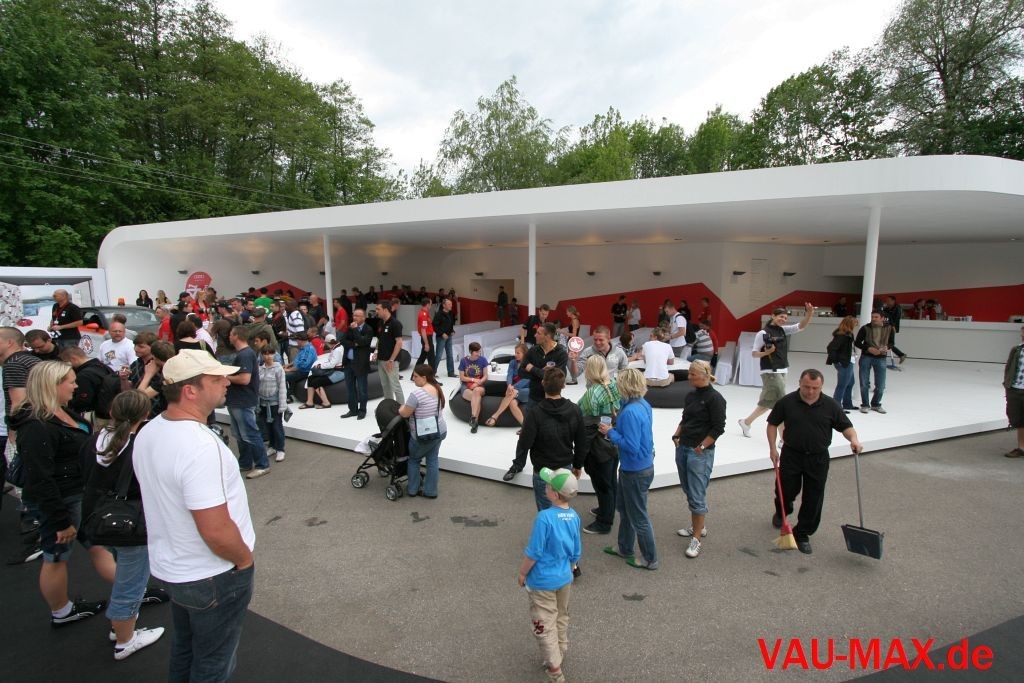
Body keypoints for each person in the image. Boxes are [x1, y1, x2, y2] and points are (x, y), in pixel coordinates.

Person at [133, 349, 255, 681]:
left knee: (186, 649)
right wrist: (243, 561)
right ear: (190, 390)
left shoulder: (150, 430)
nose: (227, 382)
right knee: (213, 662)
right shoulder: (200, 446)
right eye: (217, 379)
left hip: (175, 568)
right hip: (212, 573)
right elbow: (215, 529)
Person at [10, 360, 108, 625]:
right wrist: (60, 520)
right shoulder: (36, 425)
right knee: (56, 556)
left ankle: (131, 592)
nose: (76, 386)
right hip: (62, 501)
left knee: (99, 544)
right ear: (52, 385)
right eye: (71, 382)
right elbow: (40, 478)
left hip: (78, 495)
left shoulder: (61, 412)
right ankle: (61, 611)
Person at [82, 390, 166, 658]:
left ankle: (120, 627)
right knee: (132, 581)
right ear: (145, 414)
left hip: (99, 517)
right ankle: (125, 639)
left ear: (112, 411)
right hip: (132, 523)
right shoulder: (139, 446)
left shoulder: (95, 440)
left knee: (125, 574)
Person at [767, 369, 863, 554]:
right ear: (799, 383)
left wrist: (854, 439)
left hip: (818, 458)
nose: (810, 391)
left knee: (814, 497)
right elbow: (772, 424)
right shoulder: (787, 402)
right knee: (785, 491)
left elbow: (846, 427)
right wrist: (772, 448)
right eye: (806, 387)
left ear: (821, 386)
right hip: (792, 455)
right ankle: (782, 510)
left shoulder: (831, 405)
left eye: (815, 388)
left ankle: (802, 533)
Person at [516, 467, 581, 683]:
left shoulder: (544, 518)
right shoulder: (574, 517)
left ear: (554, 494)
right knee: (561, 616)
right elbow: (576, 551)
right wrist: (571, 567)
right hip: (564, 578)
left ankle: (554, 668)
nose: (545, 485)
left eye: (548, 484)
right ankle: (559, 651)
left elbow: (534, 552)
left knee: (543, 623)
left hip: (542, 580)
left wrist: (522, 572)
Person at [504, 368, 587, 513]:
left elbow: (525, 443)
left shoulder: (535, 413)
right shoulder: (574, 410)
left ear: (542, 383)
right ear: (563, 385)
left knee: (545, 511)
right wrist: (578, 465)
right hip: (565, 467)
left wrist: (526, 434)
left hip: (543, 471)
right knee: (562, 506)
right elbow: (581, 442)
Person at [598, 368, 657, 569]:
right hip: (639, 466)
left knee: (639, 517)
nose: (615, 385)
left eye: (618, 382)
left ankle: (650, 559)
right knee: (624, 509)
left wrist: (611, 432)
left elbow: (631, 446)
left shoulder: (631, 412)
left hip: (635, 471)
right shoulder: (642, 404)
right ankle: (624, 548)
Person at [671, 361, 726, 559]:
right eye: (689, 373)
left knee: (697, 494)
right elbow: (685, 418)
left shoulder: (715, 398)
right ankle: (698, 526)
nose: (689, 377)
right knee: (689, 488)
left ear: (704, 375)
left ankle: (696, 538)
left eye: (692, 374)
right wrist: (676, 435)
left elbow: (718, 427)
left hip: (699, 453)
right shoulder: (691, 396)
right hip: (684, 448)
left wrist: (702, 447)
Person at [738, 303, 815, 438]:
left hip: (782, 370)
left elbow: (801, 326)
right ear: (773, 316)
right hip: (770, 372)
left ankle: (746, 422)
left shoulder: (783, 330)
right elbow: (754, 354)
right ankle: (784, 438)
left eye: (785, 318)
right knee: (782, 404)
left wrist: (809, 314)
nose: (783, 319)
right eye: (781, 317)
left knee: (767, 403)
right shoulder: (763, 333)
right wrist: (767, 352)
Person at [578, 355, 621, 535]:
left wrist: (580, 456)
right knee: (610, 480)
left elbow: (586, 422)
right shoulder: (614, 385)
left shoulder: (592, 393)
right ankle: (607, 508)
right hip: (612, 441)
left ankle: (604, 522)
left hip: (597, 446)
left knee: (602, 484)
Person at [225, 326, 270, 478]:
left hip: (243, 400)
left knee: (250, 433)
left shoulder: (245, 355)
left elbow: (244, 379)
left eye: (231, 334)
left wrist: (225, 376)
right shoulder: (245, 353)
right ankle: (245, 463)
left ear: (236, 336)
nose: (229, 337)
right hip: (238, 400)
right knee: (240, 434)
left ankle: (262, 465)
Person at [398, 364, 447, 498]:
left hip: (423, 434)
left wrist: (401, 408)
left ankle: (412, 489)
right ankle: (431, 491)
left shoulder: (416, 394)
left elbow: (405, 413)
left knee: (414, 460)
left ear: (424, 378)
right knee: (432, 460)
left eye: (415, 376)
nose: (413, 378)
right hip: (440, 431)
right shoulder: (437, 389)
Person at [854, 311, 893, 414]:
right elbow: (857, 342)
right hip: (866, 357)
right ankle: (865, 404)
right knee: (864, 383)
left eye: (876, 317)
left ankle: (875, 404)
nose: (873, 319)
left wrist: (887, 347)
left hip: (881, 357)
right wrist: (868, 348)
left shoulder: (889, 328)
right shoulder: (865, 328)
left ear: (882, 318)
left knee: (881, 385)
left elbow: (892, 343)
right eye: (872, 317)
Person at [486, 343, 530, 429]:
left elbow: (527, 380)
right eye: (515, 352)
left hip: (527, 390)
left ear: (524, 353)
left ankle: (495, 416)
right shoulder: (513, 362)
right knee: (512, 403)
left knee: (511, 393)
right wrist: (509, 385)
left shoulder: (529, 365)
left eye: (518, 353)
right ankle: (525, 427)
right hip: (514, 389)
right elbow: (509, 375)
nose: (515, 355)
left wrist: (513, 387)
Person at [339, 308, 373, 420]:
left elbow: (363, 342)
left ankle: (362, 410)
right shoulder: (350, 327)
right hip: (348, 363)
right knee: (350, 388)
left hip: (360, 364)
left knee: (362, 389)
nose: (355, 318)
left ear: (364, 317)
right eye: (354, 315)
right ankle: (353, 410)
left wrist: (355, 331)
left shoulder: (368, 329)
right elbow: (343, 340)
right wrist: (354, 344)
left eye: (357, 316)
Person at [523, 323, 569, 404]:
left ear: (547, 336)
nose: (535, 335)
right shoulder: (533, 350)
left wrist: (532, 369)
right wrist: (543, 372)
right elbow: (521, 371)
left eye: (538, 333)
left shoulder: (561, 353)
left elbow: (556, 378)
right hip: (533, 398)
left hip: (553, 400)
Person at [258, 347, 288, 463]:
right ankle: (272, 446)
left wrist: (282, 404)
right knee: (267, 426)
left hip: (275, 403)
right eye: (265, 354)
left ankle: (280, 448)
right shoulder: (260, 369)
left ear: (274, 354)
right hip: (263, 402)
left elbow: (282, 387)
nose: (268, 356)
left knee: (277, 426)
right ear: (262, 355)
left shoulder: (278, 368)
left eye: (270, 353)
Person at [301, 334, 344, 410]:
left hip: (339, 372)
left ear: (327, 342)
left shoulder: (337, 350)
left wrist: (320, 366)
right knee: (311, 378)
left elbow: (332, 364)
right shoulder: (337, 347)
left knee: (316, 382)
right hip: (334, 370)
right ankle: (309, 402)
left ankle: (326, 403)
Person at [375, 301, 404, 404]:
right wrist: (376, 351)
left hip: (391, 361)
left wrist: (391, 360)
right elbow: (379, 340)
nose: (376, 311)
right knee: (385, 386)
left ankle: (401, 407)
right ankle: (388, 406)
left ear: (385, 310)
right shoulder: (380, 323)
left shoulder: (395, 324)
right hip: (381, 360)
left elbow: (399, 342)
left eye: (378, 309)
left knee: (395, 386)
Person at [826, 316, 857, 413]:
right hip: (845, 362)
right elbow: (831, 348)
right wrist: (837, 361)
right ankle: (837, 407)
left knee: (850, 383)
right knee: (842, 385)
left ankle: (847, 404)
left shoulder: (847, 335)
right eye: (854, 324)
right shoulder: (843, 335)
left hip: (848, 361)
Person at [459, 342, 489, 433]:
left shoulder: (483, 360)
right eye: (476, 352)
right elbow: (462, 377)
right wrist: (473, 380)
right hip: (466, 386)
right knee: (476, 398)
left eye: (479, 351)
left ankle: (473, 417)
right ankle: (475, 423)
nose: (478, 354)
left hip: (479, 385)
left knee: (476, 392)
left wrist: (478, 382)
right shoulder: (463, 361)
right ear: (471, 351)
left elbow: (485, 376)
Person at [1003, 326, 1024, 458]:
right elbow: (1009, 367)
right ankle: (1021, 448)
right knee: (1019, 419)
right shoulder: (1017, 349)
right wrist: (1007, 384)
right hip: (1015, 389)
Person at [433, 297, 457, 378]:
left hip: (449, 336)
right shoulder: (439, 314)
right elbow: (434, 326)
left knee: (450, 354)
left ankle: (451, 372)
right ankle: (432, 373)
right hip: (441, 337)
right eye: (449, 304)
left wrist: (452, 330)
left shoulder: (451, 313)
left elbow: (450, 324)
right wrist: (442, 333)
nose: (451, 306)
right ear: (444, 305)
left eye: (451, 304)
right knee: (438, 355)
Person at [881, 296, 908, 365]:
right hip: (886, 327)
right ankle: (900, 354)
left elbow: (895, 318)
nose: (887, 302)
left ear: (893, 301)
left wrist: (893, 326)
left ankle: (901, 354)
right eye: (886, 300)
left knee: (888, 342)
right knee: (886, 342)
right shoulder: (886, 308)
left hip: (892, 327)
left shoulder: (897, 308)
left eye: (888, 300)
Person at [416, 298, 436, 368]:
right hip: (427, 337)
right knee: (431, 357)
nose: (431, 305)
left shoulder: (425, 313)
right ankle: (432, 372)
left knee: (423, 356)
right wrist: (426, 343)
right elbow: (423, 330)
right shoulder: (423, 315)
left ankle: (415, 372)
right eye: (430, 304)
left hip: (427, 337)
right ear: (427, 304)